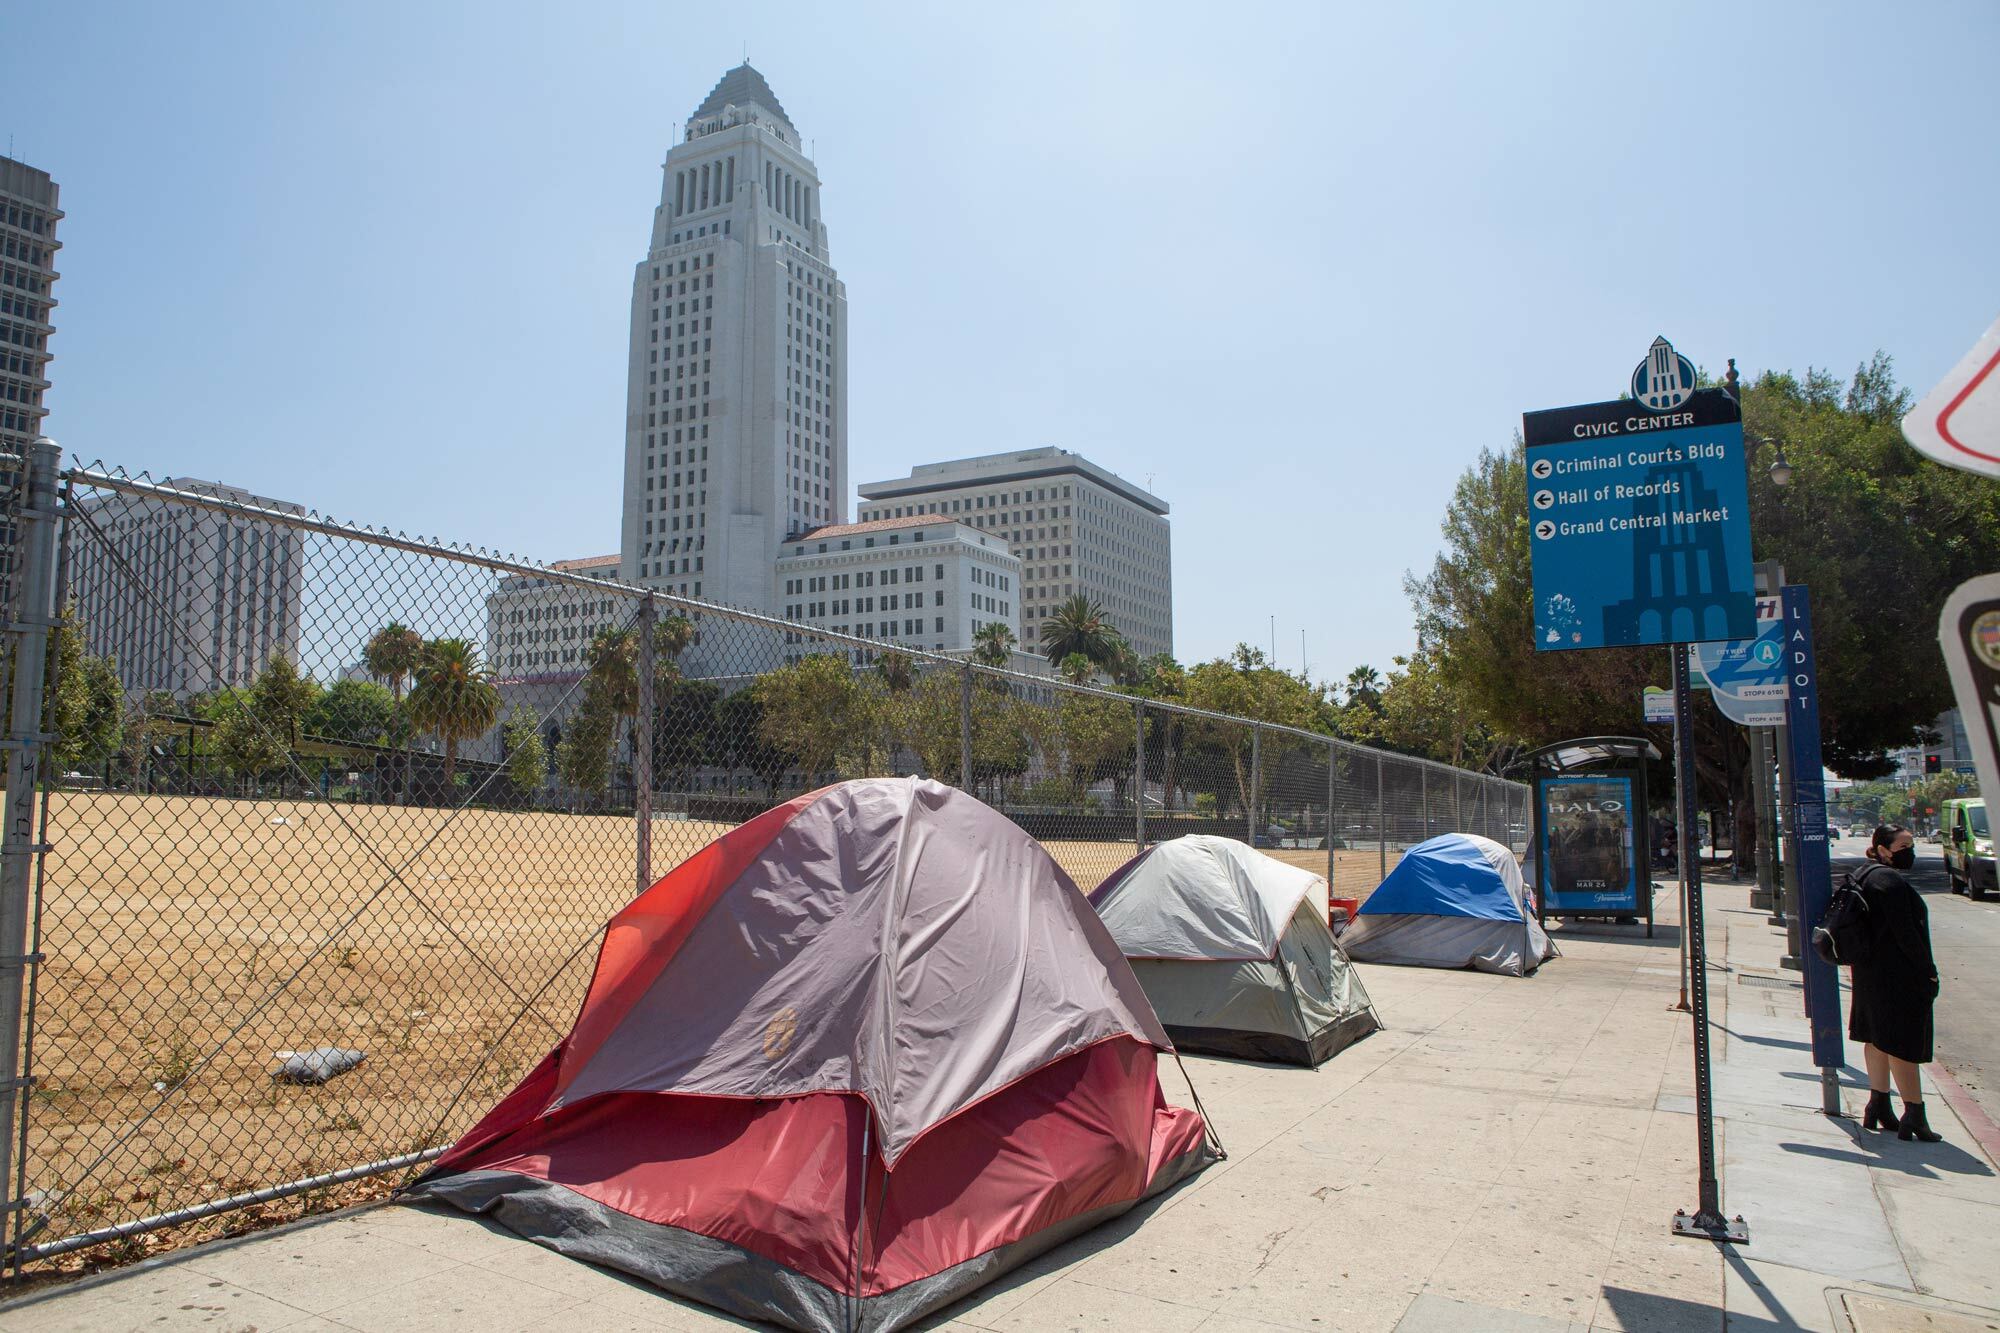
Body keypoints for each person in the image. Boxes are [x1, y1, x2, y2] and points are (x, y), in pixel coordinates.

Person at [1850, 824, 1942, 1142]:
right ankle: (1914, 1114)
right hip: (1897, 977)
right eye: (1903, 846)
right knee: (1902, 1044)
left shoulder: (1864, 874)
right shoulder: (1889, 881)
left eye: (1911, 845)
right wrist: (1928, 972)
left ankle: (1878, 1104)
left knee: (1876, 1038)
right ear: (1883, 848)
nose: (1909, 852)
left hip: (1868, 973)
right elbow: (1908, 936)